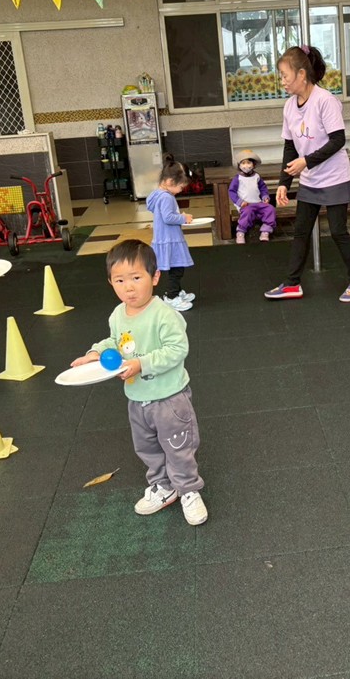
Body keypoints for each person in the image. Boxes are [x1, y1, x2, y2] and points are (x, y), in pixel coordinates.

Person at [70, 239, 207, 526]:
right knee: (147, 447)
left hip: (170, 398)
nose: (128, 288)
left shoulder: (164, 315)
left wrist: (140, 364)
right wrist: (95, 353)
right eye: (119, 280)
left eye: (136, 278)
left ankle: (188, 490)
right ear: (110, 282)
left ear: (155, 277)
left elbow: (177, 349)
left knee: (178, 447)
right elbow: (114, 341)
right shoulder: (118, 314)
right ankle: (163, 486)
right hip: (137, 398)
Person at [264, 45, 350, 303]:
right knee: (301, 231)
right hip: (310, 180)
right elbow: (289, 147)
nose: (282, 81)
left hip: (335, 177)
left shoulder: (325, 100)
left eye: (285, 75)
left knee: (338, 231)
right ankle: (292, 284)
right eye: (281, 76)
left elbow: (338, 140)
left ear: (301, 74)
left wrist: (306, 162)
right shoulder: (289, 106)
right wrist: (284, 183)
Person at [145, 161, 195, 312]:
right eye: (180, 187)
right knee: (177, 269)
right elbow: (168, 217)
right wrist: (183, 218)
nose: (180, 190)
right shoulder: (167, 197)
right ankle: (171, 297)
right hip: (170, 239)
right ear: (169, 182)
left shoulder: (157, 195)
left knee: (176, 268)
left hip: (165, 238)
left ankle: (177, 293)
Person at [230, 149, 275, 243]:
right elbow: (232, 191)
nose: (246, 165)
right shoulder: (238, 178)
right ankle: (241, 231)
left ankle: (266, 230)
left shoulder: (257, 176)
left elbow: (262, 188)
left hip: (258, 203)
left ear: (253, 165)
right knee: (247, 212)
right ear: (239, 165)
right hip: (246, 204)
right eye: (243, 163)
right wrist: (240, 202)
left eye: (248, 162)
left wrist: (265, 196)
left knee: (270, 209)